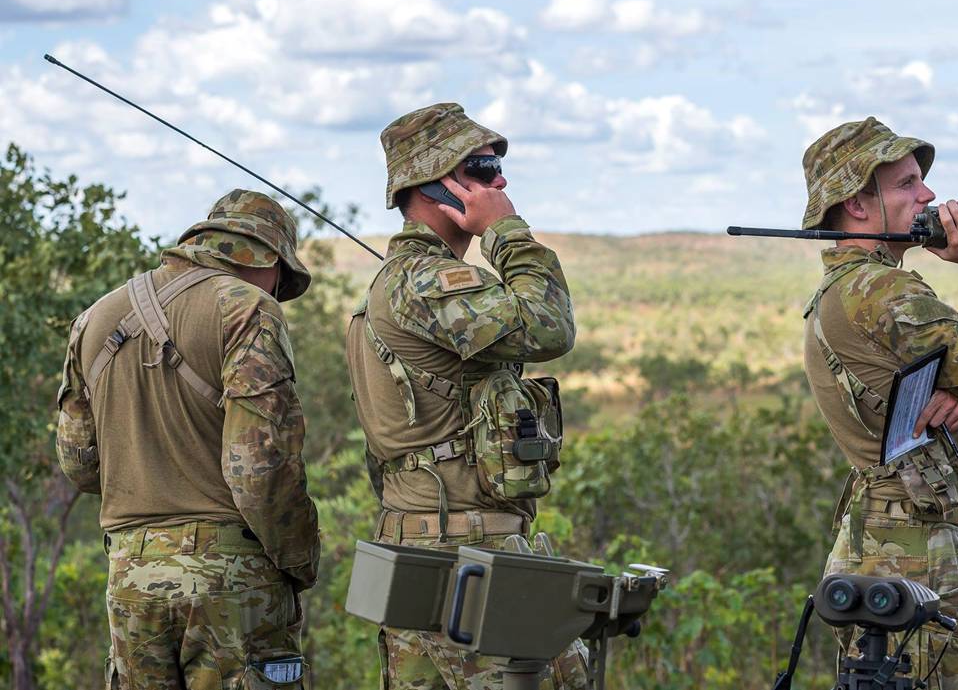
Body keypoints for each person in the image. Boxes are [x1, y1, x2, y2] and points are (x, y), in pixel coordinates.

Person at [346, 102, 588, 689]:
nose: (499, 182)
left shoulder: (404, 281)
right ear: (434, 184)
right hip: (467, 555)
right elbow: (549, 327)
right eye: (480, 169)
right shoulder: (428, 279)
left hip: (425, 547)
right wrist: (507, 231)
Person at [800, 117, 958, 689]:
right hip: (907, 548)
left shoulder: (849, 288)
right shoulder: (883, 291)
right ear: (857, 204)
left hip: (894, 537)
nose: (928, 194)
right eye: (906, 183)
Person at [56, 189, 320, 689]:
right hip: (231, 577)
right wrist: (301, 559)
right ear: (269, 260)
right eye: (282, 280)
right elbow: (259, 471)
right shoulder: (248, 308)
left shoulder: (93, 318)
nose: (277, 291)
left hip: (131, 575)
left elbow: (79, 464)